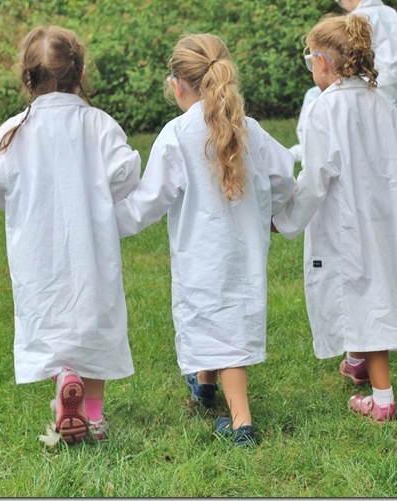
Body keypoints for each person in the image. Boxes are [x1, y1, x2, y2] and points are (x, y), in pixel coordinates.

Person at [113, 33, 297, 447]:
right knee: (226, 315)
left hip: (202, 254)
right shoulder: (249, 130)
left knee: (217, 321)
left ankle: (242, 424)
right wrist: (274, 213)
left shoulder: (178, 134)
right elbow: (284, 177)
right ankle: (205, 384)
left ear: (178, 85)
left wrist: (105, 223)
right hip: (245, 250)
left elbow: (147, 202)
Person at [0, 25, 142, 443]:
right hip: (91, 246)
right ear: (79, 74)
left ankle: (64, 376)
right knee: (95, 322)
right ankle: (94, 415)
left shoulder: (14, 131)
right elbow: (126, 172)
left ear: (27, 79)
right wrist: (102, 198)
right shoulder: (98, 125)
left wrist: (17, 202)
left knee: (48, 320)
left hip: (38, 250)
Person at [272, 14, 397, 422]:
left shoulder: (324, 110)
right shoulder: (386, 108)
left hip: (345, 223)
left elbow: (315, 178)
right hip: (383, 219)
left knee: (365, 297)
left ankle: (382, 400)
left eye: (310, 60)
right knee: (369, 287)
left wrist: (286, 219)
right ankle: (356, 360)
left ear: (322, 63)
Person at [289, 0, 397, 162]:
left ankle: (306, 149)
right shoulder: (390, 13)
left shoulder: (354, 22)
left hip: (378, 85)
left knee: (312, 95)